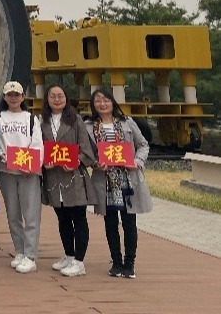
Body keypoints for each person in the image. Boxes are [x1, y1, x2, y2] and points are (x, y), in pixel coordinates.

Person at [86, 87, 152, 280]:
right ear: (93, 104)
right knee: (110, 222)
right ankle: (116, 262)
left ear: (113, 102)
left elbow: (143, 145)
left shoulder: (127, 123)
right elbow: (85, 152)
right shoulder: (89, 125)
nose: (102, 103)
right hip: (104, 180)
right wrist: (95, 163)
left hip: (127, 179)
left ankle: (129, 263)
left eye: (106, 99)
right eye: (98, 100)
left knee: (129, 221)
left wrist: (137, 162)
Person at [40, 85, 97, 277]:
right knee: (62, 218)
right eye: (52, 96)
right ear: (47, 99)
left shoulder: (76, 120)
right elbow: (39, 149)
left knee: (78, 217)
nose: (57, 99)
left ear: (66, 98)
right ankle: (69, 255)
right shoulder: (42, 122)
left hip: (73, 177)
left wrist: (75, 161)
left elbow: (87, 150)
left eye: (60, 96)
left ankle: (79, 261)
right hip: (53, 177)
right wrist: (43, 162)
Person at [0, 81, 44, 274]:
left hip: (27, 172)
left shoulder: (31, 119)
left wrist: (29, 165)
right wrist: (0, 154)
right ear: (5, 97)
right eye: (10, 94)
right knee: (13, 213)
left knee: (31, 214)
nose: (13, 98)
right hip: (6, 170)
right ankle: (19, 250)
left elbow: (37, 144)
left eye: (17, 94)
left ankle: (31, 255)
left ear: (23, 97)